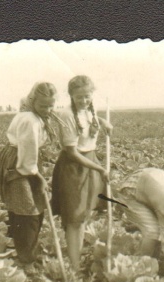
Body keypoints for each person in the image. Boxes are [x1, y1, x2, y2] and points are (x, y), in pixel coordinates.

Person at [0, 82, 58, 269]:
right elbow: (27, 161)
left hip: (22, 159)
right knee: (27, 210)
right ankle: (25, 260)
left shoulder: (33, 114)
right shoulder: (30, 120)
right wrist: (40, 178)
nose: (47, 109)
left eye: (51, 105)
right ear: (33, 102)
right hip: (20, 163)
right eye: (43, 106)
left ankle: (24, 252)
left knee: (24, 207)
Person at [51, 75, 113, 270]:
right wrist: (100, 168)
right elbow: (72, 152)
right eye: (79, 97)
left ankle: (76, 257)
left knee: (85, 213)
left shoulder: (88, 110)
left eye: (87, 96)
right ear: (71, 96)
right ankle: (75, 266)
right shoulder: (67, 116)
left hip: (90, 162)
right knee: (74, 217)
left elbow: (88, 118)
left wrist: (102, 121)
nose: (84, 100)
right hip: (74, 168)